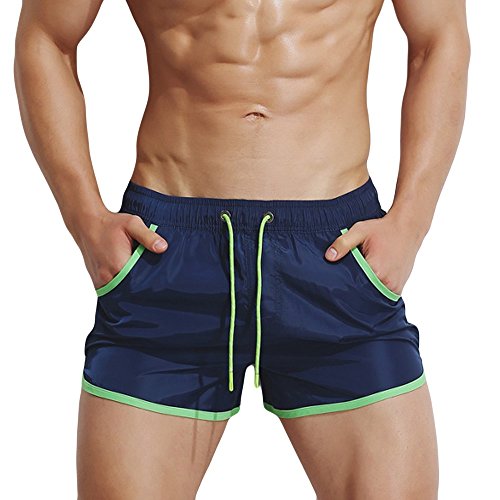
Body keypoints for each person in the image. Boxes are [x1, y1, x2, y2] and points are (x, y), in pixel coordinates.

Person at [14, 0, 470, 498]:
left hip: (335, 253)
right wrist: (85, 219)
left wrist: (410, 222)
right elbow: (46, 37)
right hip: (168, 255)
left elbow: (438, 39)